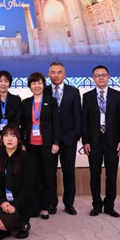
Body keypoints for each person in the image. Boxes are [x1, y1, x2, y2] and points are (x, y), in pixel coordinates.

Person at [82, 65, 120, 218]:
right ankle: (96, 205)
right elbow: (85, 121)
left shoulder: (117, 95)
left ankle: (109, 206)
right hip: (94, 141)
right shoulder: (87, 96)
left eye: (103, 75)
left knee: (111, 174)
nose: (100, 78)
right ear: (93, 78)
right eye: (97, 75)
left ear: (108, 77)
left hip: (112, 140)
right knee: (94, 174)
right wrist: (85, 141)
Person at [20, 72, 61, 219]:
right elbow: (22, 125)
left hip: (47, 145)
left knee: (48, 176)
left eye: (39, 83)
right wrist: (22, 143)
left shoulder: (51, 101)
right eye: (34, 83)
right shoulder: (25, 103)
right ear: (30, 86)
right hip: (30, 146)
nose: (37, 86)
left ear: (44, 85)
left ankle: (45, 207)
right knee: (33, 177)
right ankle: (35, 206)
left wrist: (56, 142)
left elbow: (56, 123)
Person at [0, 124, 36, 240]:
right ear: (1, 139)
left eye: (13, 135)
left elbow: (28, 186)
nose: (9, 139)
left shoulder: (26, 158)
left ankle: (22, 225)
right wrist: (3, 201)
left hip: (20, 202)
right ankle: (5, 226)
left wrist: (15, 206)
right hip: (4, 199)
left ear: (19, 139)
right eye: (6, 135)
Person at [44, 62, 81, 215]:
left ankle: (69, 204)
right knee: (49, 173)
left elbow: (77, 114)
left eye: (59, 72)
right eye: (53, 72)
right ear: (48, 74)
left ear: (64, 74)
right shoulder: (43, 90)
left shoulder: (73, 91)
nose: (56, 75)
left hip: (68, 139)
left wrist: (76, 135)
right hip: (49, 139)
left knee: (69, 172)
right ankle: (51, 203)